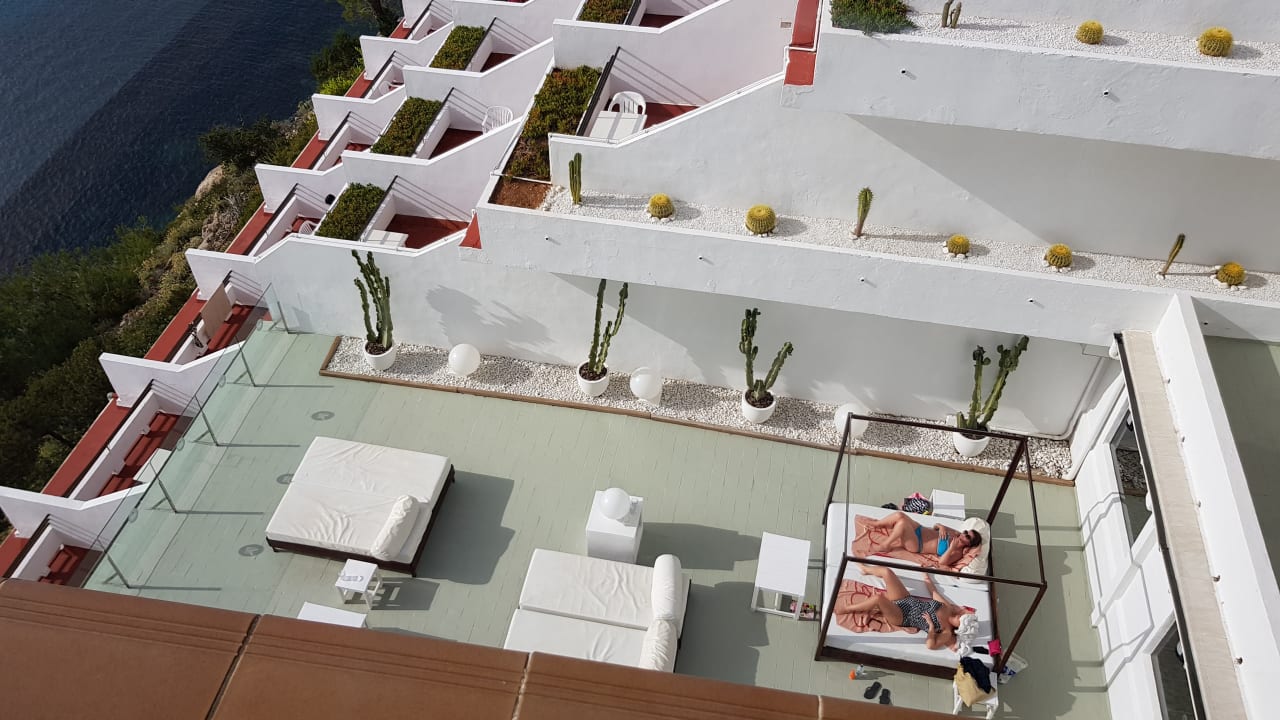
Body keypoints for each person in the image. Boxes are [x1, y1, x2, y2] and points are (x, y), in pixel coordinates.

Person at [844, 564, 975, 651]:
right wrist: (926, 575)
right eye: (963, 616)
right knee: (887, 572)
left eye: (962, 620)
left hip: (902, 616)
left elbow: (930, 645)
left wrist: (931, 627)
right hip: (906, 600)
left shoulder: (946, 631)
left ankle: (849, 609)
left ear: (959, 628)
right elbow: (934, 592)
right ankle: (866, 569)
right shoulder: (947, 608)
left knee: (878, 599)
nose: (960, 616)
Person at [866, 511, 981, 567]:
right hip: (919, 529)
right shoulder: (956, 533)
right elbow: (935, 526)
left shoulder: (957, 552)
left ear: (969, 544)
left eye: (967, 536)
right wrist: (941, 527)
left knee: (902, 524)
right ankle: (877, 524)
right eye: (966, 532)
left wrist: (951, 548)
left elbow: (942, 562)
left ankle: (885, 545)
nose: (964, 534)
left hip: (917, 544)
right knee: (900, 515)